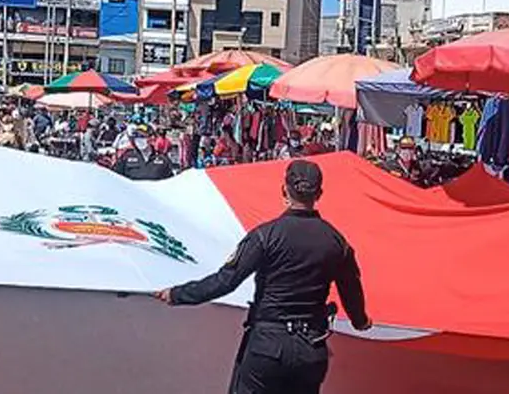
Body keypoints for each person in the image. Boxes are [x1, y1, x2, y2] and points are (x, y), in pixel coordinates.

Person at [154, 160, 372, 393]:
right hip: (311, 348)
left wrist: (177, 294)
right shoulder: (336, 242)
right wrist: (360, 321)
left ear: (284, 190)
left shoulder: (265, 236)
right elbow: (351, 290)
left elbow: (225, 281)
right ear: (319, 194)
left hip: (267, 346)